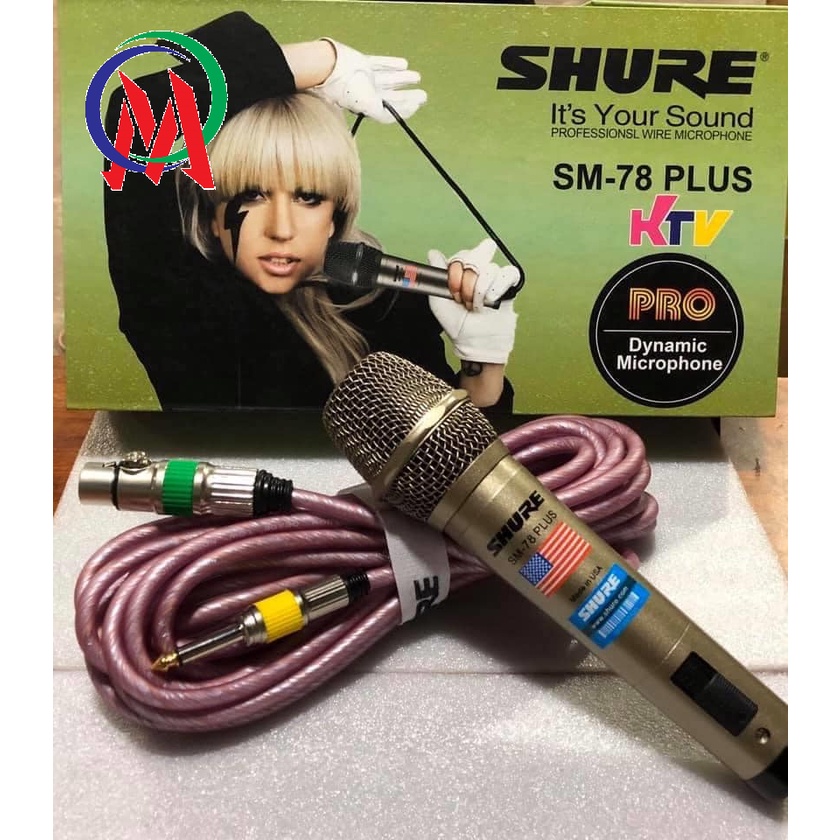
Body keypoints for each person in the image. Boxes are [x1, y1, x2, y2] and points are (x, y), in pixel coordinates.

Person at [103, 11, 519, 410]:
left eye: (308, 198)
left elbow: (457, 452)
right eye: (252, 195)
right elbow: (137, 113)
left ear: (336, 216)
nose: (281, 228)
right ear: (213, 216)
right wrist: (327, 62)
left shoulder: (390, 310)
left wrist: (482, 363)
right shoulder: (174, 297)